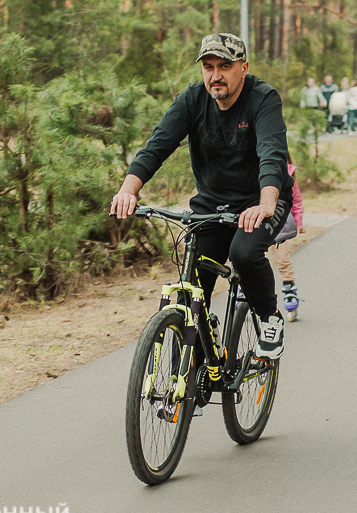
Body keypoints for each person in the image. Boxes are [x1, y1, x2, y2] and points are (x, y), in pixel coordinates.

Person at [110, 33, 293, 360]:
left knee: (244, 253)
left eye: (225, 66)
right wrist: (128, 190)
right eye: (208, 67)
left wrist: (266, 203)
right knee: (190, 290)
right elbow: (156, 147)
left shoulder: (263, 99)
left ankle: (269, 319)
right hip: (211, 205)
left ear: (244, 67)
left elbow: (272, 155)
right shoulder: (192, 100)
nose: (215, 75)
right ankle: (194, 375)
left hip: (263, 201)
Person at [268, 152, 305, 322]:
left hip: (278, 224)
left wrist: (298, 220)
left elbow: (296, 199)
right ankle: (243, 289)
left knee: (282, 259)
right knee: (251, 257)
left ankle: (290, 291)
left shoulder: (289, 172)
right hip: (256, 221)